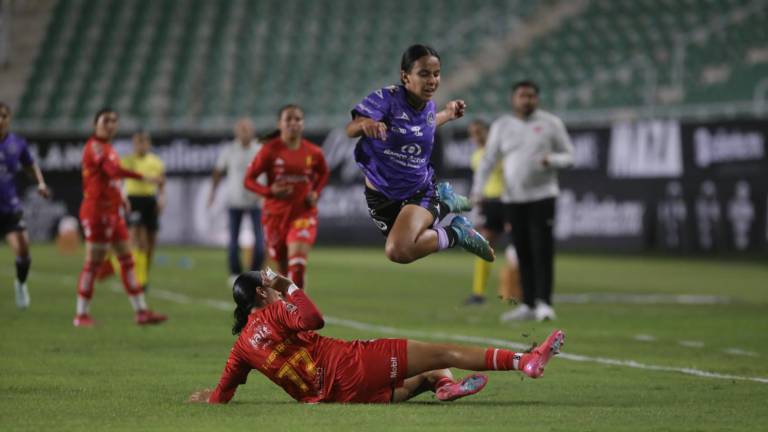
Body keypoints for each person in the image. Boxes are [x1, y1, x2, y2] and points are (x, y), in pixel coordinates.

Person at [188, 270, 565, 404]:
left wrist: (210, 398)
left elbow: (223, 395)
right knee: (444, 352)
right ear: (260, 293)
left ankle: (442, 386)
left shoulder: (241, 346)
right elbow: (314, 319)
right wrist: (289, 287)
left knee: (430, 373)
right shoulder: (274, 310)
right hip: (351, 366)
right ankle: (525, 361)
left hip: (334, 397)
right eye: (266, 281)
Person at [345, 44, 494, 264]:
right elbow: (350, 129)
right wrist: (366, 123)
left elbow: (427, 125)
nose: (432, 80)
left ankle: (457, 232)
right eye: (424, 74)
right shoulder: (388, 99)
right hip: (380, 197)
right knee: (405, 248)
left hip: (419, 190)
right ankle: (447, 203)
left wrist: (449, 114)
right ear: (405, 77)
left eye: (436, 74)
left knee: (397, 251)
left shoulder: (428, 107)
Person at [472, 81, 574, 322]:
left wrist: (554, 160)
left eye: (531, 96)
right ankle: (528, 303)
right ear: (513, 99)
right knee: (522, 251)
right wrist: (478, 190)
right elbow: (487, 161)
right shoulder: (502, 126)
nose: (526, 100)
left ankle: (545, 303)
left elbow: (570, 155)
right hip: (513, 198)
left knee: (542, 249)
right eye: (522, 96)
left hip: (543, 195)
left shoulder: (551, 123)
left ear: (537, 99)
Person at [73, 108, 167, 327]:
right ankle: (81, 314)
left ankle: (141, 311)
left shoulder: (109, 148)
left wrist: (121, 197)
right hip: (97, 211)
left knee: (127, 259)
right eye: (106, 120)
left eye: (114, 121)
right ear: (95, 123)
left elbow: (111, 179)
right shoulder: (95, 147)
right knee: (93, 263)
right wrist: (144, 177)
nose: (111, 124)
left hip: (112, 212)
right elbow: (112, 171)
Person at [243, 105, 328, 289]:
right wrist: (270, 191)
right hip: (275, 217)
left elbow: (323, 173)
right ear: (279, 124)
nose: (293, 123)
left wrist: (315, 193)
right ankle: (286, 307)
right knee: (282, 271)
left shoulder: (313, 152)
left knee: (297, 265)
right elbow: (248, 180)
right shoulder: (269, 151)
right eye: (288, 119)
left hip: (303, 214)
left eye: (297, 119)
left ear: (303, 124)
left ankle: (298, 312)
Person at [0, 102, 51, 309]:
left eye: (4, 116)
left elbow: (30, 165)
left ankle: (20, 284)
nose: (0, 119)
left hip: (9, 207)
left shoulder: (17, 143)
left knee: (23, 251)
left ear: (9, 119)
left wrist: (40, 183)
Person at [208, 118, 265, 286]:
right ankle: (234, 272)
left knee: (260, 242)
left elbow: (269, 171)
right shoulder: (229, 150)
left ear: (253, 131)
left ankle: (254, 274)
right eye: (241, 129)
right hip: (235, 200)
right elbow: (218, 171)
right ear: (236, 132)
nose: (244, 132)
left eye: (247, 128)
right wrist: (212, 193)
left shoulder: (260, 149)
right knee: (233, 241)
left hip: (256, 201)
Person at [464, 119, 508, 306]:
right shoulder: (476, 156)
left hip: (508, 200)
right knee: (484, 247)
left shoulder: (500, 152)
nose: (476, 136)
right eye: (473, 133)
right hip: (490, 203)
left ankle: (525, 292)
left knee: (521, 248)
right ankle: (478, 293)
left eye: (479, 131)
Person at [121, 130, 165, 292]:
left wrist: (162, 198)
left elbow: (162, 183)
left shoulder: (156, 162)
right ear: (133, 144)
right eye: (138, 142)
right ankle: (135, 277)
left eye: (144, 142)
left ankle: (144, 274)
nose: (141, 145)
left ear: (149, 143)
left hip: (150, 200)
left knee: (151, 243)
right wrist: (122, 197)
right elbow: (120, 179)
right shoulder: (127, 161)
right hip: (133, 200)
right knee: (137, 239)